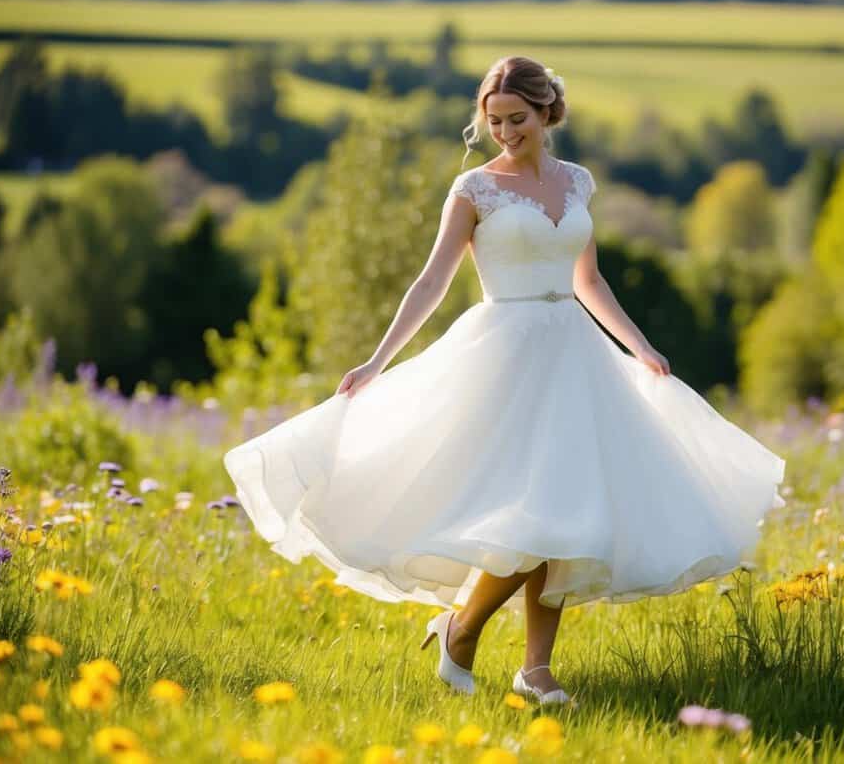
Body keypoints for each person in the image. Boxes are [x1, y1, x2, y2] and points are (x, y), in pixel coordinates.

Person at [223, 55, 786, 708]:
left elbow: (588, 280)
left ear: (547, 112)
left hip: (574, 356)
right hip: (502, 359)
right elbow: (431, 282)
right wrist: (377, 359)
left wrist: (640, 346)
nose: (505, 132)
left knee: (565, 511)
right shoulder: (473, 192)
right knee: (529, 516)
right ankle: (461, 629)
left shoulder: (577, 183)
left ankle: (535, 668)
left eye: (517, 119)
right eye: (493, 121)